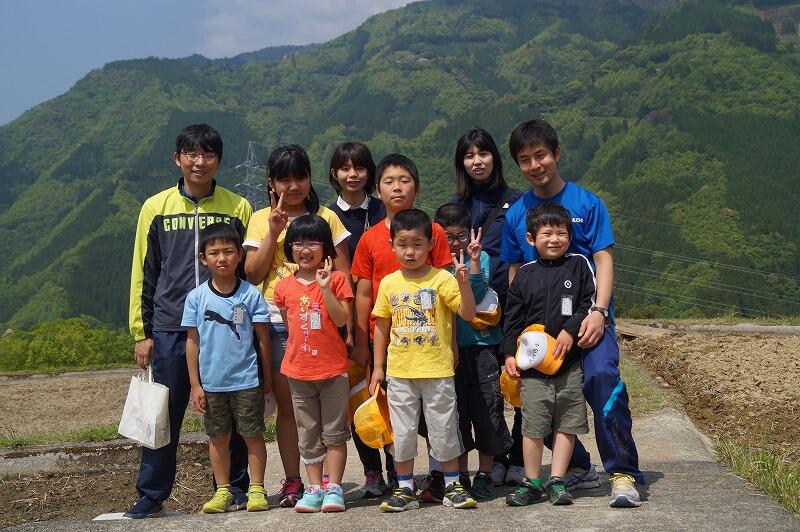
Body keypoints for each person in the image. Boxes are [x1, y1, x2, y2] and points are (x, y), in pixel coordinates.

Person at [501, 118, 644, 507]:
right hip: (539, 334)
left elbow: (604, 259)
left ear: (557, 153)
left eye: (541, 155)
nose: (535, 165)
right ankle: (578, 466)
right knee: (536, 398)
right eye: (525, 159)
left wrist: (599, 311)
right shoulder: (516, 215)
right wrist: (517, 338)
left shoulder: (587, 203)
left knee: (601, 378)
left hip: (589, 320)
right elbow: (514, 272)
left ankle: (623, 472)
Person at [126, 123, 253, 518]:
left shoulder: (237, 207)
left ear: (219, 160)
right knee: (163, 414)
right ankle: (151, 495)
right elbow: (144, 271)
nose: (200, 162)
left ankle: (236, 489)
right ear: (177, 158)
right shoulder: (156, 207)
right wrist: (142, 332)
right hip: (169, 327)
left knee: (231, 410)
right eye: (192, 154)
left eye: (208, 154)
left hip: (225, 330)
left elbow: (246, 272)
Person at [243, 144, 351, 508]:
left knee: (329, 411)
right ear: (271, 183)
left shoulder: (326, 216)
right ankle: (295, 481)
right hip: (277, 323)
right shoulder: (261, 218)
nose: (293, 186)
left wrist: (350, 331)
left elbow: (344, 275)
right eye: (284, 179)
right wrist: (273, 231)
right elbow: (253, 274)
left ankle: (329, 483)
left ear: (309, 178)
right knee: (291, 409)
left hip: (325, 323)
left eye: (299, 177)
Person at [350, 154, 453, 501]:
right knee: (396, 414)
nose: (397, 187)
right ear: (378, 190)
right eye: (389, 181)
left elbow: (445, 292)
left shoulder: (434, 233)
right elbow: (364, 293)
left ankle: (439, 476)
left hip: (432, 343)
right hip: (387, 341)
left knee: (437, 416)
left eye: (405, 180)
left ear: (417, 188)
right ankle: (401, 480)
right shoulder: (369, 239)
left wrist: (451, 345)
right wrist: (362, 343)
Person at [369, 208, 478, 512]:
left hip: (437, 370)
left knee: (443, 427)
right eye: (402, 244)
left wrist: (465, 283)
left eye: (417, 244)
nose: (410, 252)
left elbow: (468, 313)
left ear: (431, 244)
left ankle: (453, 485)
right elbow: (381, 326)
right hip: (400, 372)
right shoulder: (389, 283)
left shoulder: (442, 278)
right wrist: (378, 368)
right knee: (402, 432)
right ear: (392, 245)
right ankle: (404, 488)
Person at [503, 203, 593, 507]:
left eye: (561, 233)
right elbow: (512, 318)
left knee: (566, 422)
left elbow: (588, 302)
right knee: (533, 425)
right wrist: (509, 354)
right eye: (547, 234)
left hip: (569, 364)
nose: (555, 239)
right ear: (531, 239)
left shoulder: (579, 265)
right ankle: (532, 482)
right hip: (532, 368)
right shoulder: (524, 274)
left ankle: (557, 480)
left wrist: (570, 329)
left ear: (570, 236)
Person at [451, 127, 525, 487]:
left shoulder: (518, 202)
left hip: (513, 306)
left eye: (483, 153)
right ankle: (491, 460)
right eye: (469, 156)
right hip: (469, 316)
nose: (477, 161)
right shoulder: (455, 207)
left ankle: (519, 457)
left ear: (495, 157)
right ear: (461, 163)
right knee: (482, 392)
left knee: (519, 382)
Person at [182, 223, 272, 513]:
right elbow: (192, 342)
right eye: (214, 253)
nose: (222, 258)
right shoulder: (196, 298)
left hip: (247, 380)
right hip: (212, 383)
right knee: (218, 438)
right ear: (203, 258)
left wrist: (267, 378)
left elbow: (263, 340)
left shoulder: (251, 294)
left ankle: (257, 488)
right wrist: (195, 384)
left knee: (253, 435)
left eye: (229, 251)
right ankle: (223, 490)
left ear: (239, 256)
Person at [274, 215, 354, 513]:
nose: (304, 250)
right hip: (298, 371)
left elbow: (341, 320)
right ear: (289, 248)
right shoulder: (283, 287)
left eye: (312, 243)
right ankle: (313, 488)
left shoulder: (337, 279)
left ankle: (334, 488)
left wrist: (325, 288)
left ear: (325, 247)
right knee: (307, 433)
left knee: (334, 433)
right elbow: (291, 328)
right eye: (297, 243)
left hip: (333, 370)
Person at [433, 203, 512, 500]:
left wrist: (474, 263)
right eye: (448, 237)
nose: (455, 243)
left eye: (461, 236)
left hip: (481, 348)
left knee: (487, 410)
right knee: (457, 414)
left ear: (471, 233)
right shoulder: (435, 265)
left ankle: (485, 473)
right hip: (448, 350)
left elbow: (475, 296)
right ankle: (462, 474)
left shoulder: (483, 257)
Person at [327, 141, 391, 497]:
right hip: (344, 321)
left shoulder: (385, 210)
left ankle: (398, 468)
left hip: (388, 317)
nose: (352, 175)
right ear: (334, 174)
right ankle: (372, 472)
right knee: (358, 399)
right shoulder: (328, 217)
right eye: (345, 168)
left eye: (360, 168)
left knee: (390, 397)